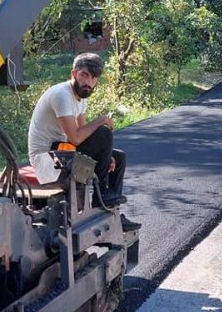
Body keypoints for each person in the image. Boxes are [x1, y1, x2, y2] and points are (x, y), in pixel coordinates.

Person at [28, 52, 141, 231]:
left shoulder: (81, 97)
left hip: (62, 151)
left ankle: (112, 212)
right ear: (74, 74)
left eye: (94, 78)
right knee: (104, 133)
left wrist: (106, 153)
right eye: (84, 75)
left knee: (117, 158)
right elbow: (76, 137)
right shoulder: (62, 95)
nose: (88, 82)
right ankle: (101, 194)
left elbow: (84, 134)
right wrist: (102, 120)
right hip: (47, 159)